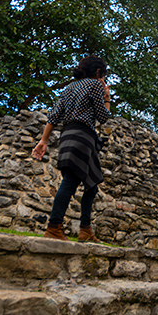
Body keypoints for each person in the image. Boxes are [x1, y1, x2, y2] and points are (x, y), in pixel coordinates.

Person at [32, 55, 111, 243]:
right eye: (104, 74)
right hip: (83, 137)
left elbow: (54, 115)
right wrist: (107, 98)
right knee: (70, 181)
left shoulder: (69, 88)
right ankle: (53, 227)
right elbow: (103, 117)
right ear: (98, 72)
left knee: (91, 186)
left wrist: (43, 140)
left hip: (67, 136)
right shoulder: (94, 85)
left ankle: (85, 230)